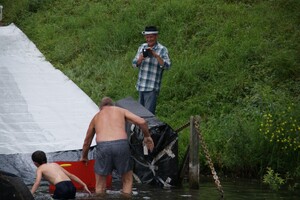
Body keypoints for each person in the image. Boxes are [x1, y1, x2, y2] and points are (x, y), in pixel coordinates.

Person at [80, 97, 154, 197]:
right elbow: (142, 121)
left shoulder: (96, 117)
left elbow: (87, 141)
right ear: (113, 105)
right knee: (127, 181)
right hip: (121, 145)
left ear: (100, 108)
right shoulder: (120, 111)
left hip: (103, 147)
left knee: (100, 186)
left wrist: (84, 157)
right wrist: (147, 136)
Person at [132, 26, 171, 115]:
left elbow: (167, 66)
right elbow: (134, 64)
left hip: (152, 87)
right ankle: (140, 129)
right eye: (147, 37)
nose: (149, 39)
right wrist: (140, 58)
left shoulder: (162, 49)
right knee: (139, 115)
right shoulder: (142, 47)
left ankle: (148, 129)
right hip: (141, 86)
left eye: (151, 37)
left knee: (148, 115)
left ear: (156, 36)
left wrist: (156, 55)